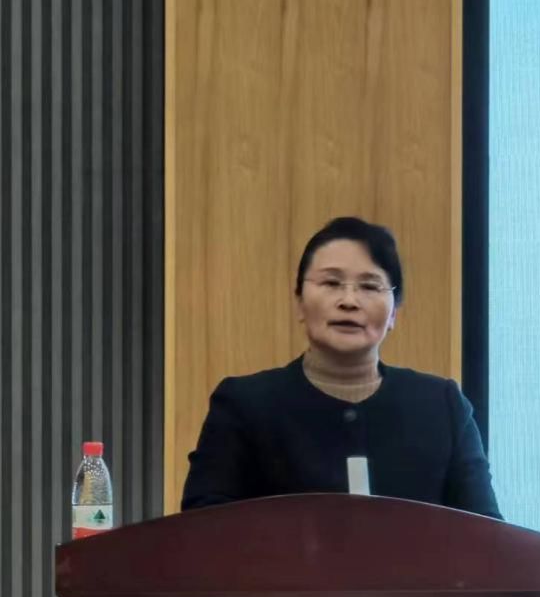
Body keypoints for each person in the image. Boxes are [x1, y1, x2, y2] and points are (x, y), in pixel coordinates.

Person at [181, 216, 502, 519]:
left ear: (393, 313)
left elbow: (488, 535)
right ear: (299, 302)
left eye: (370, 286)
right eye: (331, 282)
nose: (349, 301)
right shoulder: (244, 405)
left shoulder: (441, 406)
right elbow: (202, 529)